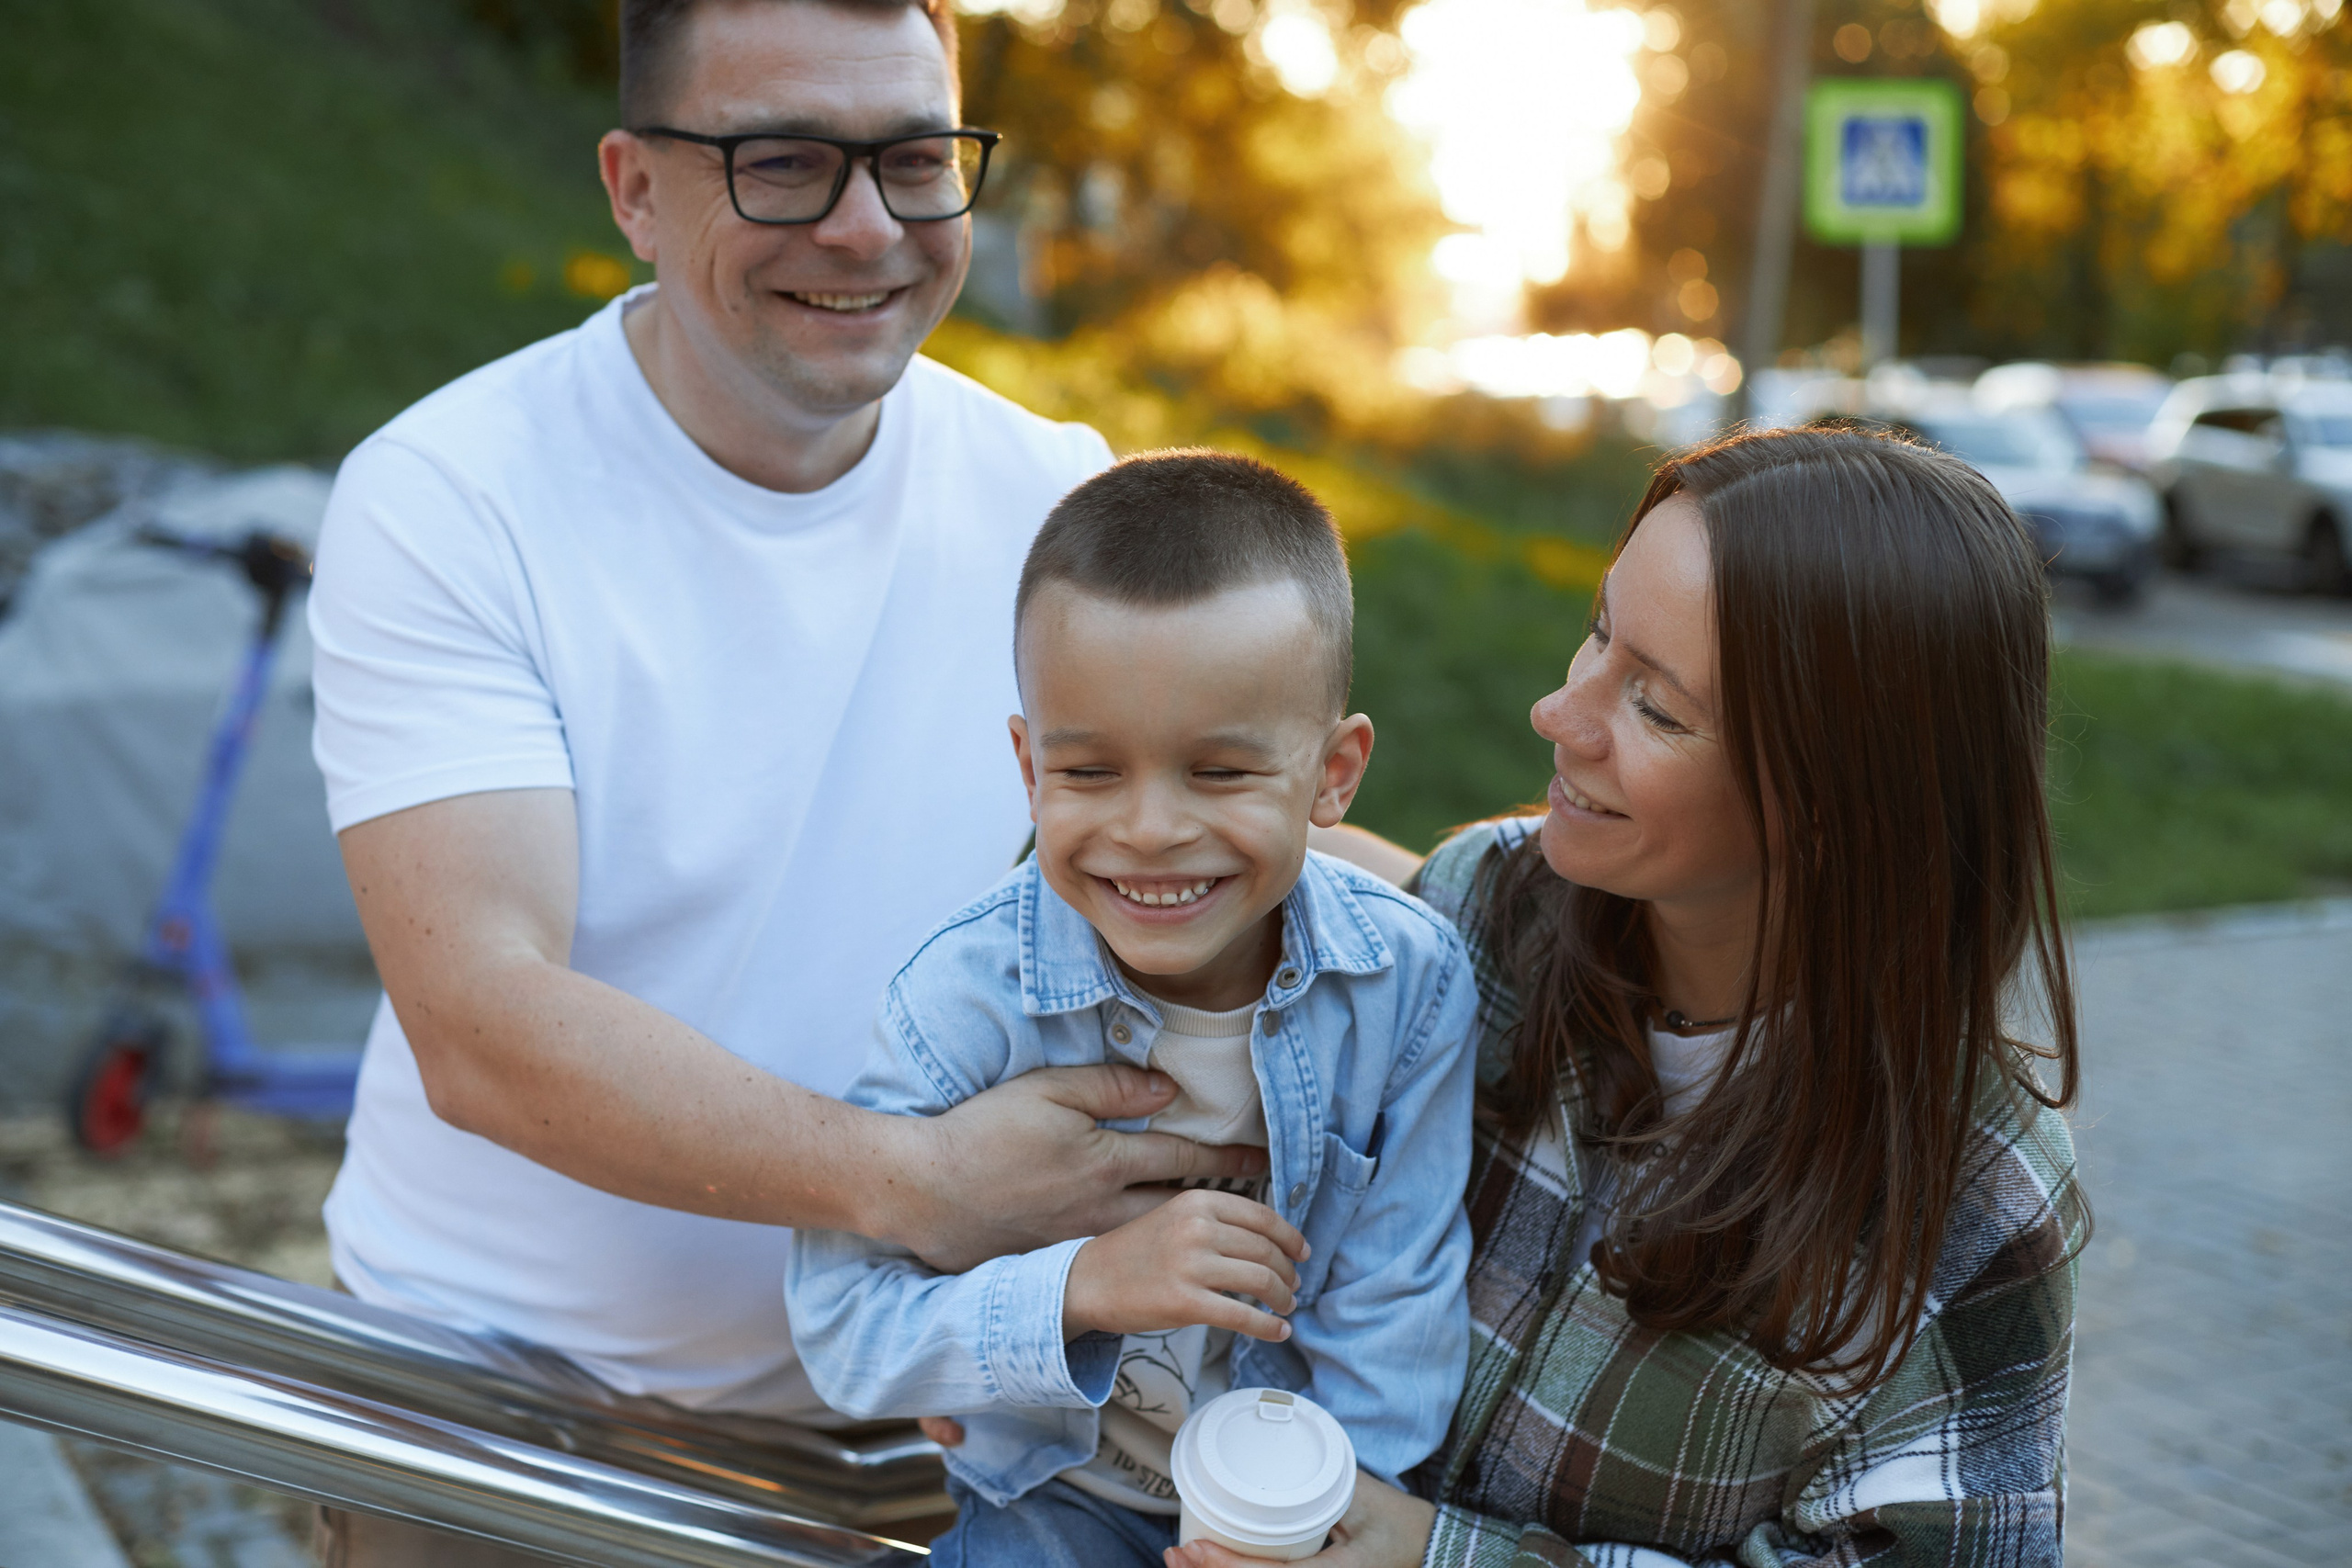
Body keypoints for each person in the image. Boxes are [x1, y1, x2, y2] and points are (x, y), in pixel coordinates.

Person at [307, 2, 1265, 1561]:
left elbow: (1244, 836)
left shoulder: (1059, 502)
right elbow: (480, 1015)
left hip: (915, 1442)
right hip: (500, 1433)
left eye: (911, 159)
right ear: (633, 186)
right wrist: (919, 1184)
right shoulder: (454, 497)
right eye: (785, 164)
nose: (867, 225)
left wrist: (1557, 892)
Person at [1164, 425, 2088, 1567]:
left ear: (1838, 804)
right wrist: (1003, 1313)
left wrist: (1441, 1557)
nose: (1559, 713)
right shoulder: (1488, 910)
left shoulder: (1973, 1211)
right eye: (1600, 630)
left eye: (1656, 707)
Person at [786, 451, 1479, 1568]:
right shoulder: (965, 999)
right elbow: (846, 1326)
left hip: (1299, 1490)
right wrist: (1089, 1283)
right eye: (1092, 773)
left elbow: (1397, 1296)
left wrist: (1325, 1509)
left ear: (1333, 774)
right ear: (1028, 766)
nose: (1150, 830)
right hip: (1054, 1487)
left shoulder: (1405, 985)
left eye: (1218, 773)